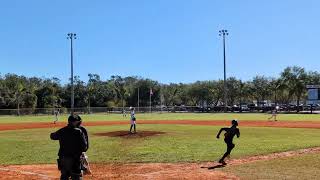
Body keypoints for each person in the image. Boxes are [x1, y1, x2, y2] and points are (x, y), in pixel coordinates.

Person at [50, 115, 88, 180]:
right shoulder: (79, 132)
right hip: (75, 158)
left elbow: (52, 136)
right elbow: (84, 147)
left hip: (63, 158)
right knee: (76, 176)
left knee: (64, 176)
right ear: (74, 122)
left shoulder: (62, 130)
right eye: (78, 121)